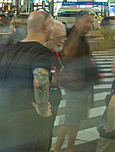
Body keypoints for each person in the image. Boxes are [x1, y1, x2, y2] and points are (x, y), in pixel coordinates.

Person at [0, 11, 55, 152]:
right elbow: (40, 82)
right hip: (28, 122)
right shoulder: (42, 52)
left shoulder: (11, 49)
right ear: (46, 27)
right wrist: (42, 110)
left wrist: (1, 90)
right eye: (52, 24)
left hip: (6, 117)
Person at [55, 11, 97, 152]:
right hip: (74, 85)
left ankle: (68, 148)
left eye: (91, 22)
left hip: (83, 84)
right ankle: (63, 149)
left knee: (74, 118)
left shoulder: (83, 38)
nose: (90, 25)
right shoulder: (69, 35)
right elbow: (63, 55)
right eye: (87, 21)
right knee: (70, 119)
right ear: (77, 21)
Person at [38, 21, 67, 152]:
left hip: (52, 104)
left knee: (46, 138)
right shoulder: (38, 54)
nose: (62, 41)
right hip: (38, 111)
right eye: (58, 37)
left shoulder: (55, 52)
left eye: (64, 37)